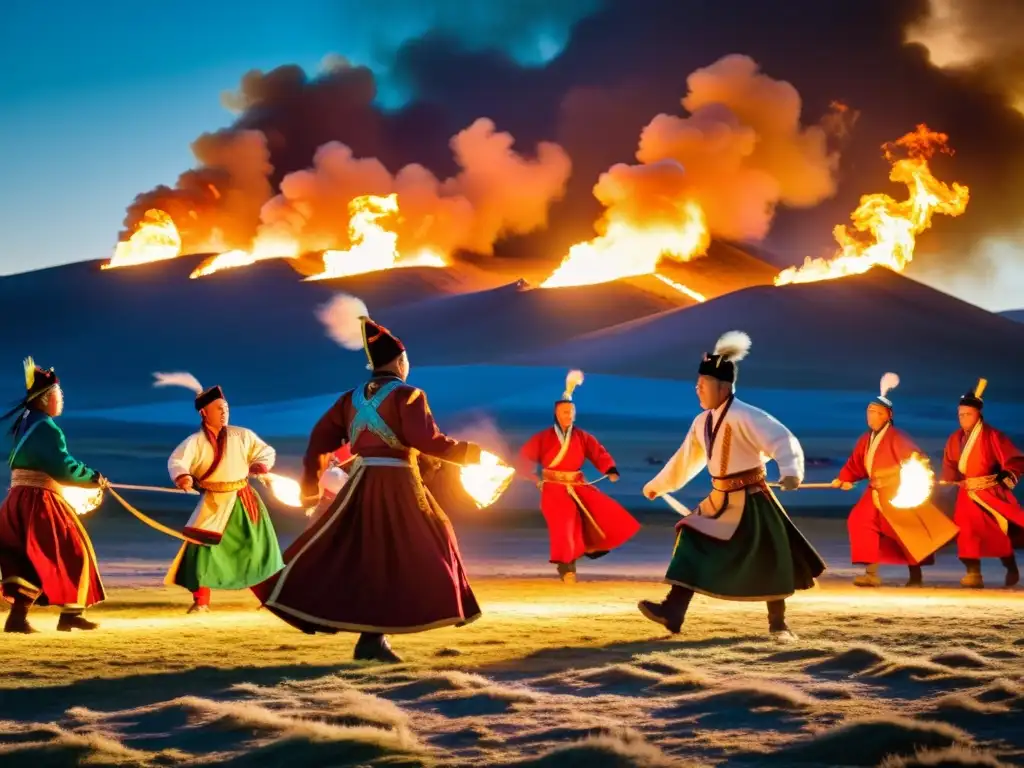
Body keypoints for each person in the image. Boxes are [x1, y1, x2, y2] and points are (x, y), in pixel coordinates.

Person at [253, 294, 485, 663]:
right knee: (425, 545)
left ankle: (371, 639)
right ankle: (386, 633)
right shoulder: (410, 395)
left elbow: (319, 441)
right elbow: (427, 440)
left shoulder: (350, 399)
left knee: (362, 554)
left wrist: (311, 490)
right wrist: (470, 452)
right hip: (398, 486)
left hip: (359, 485)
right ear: (399, 361)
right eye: (406, 359)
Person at [638, 331, 826, 643]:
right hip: (719, 499)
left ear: (723, 387)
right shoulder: (702, 422)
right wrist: (659, 485)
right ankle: (673, 611)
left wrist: (791, 471)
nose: (697, 388)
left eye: (704, 383)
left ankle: (778, 624)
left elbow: (782, 440)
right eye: (697, 383)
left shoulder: (747, 415)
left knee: (769, 557)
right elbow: (686, 458)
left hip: (752, 499)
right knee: (691, 536)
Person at [154, 373, 284, 613]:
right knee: (201, 551)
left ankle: (269, 600)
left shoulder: (243, 435)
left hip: (244, 501)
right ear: (204, 412)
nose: (224, 413)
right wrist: (183, 478)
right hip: (213, 503)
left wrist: (259, 466)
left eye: (226, 408)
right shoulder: (195, 441)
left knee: (256, 550)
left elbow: (265, 452)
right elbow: (178, 461)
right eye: (218, 409)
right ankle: (201, 602)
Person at [0, 358, 106, 633]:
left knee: (29, 556)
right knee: (74, 549)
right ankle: (70, 615)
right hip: (38, 501)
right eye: (59, 394)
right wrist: (91, 477)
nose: (62, 399)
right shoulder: (45, 428)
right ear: (46, 398)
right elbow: (61, 465)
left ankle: (18, 619)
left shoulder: (27, 424)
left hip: (18, 499)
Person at [834, 373, 958, 587]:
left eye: (875, 412)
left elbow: (916, 461)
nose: (870, 416)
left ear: (887, 416)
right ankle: (871, 573)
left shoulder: (898, 437)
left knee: (906, 532)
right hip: (873, 494)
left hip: (897, 495)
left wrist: (890, 475)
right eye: (868, 411)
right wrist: (845, 478)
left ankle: (915, 575)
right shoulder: (866, 439)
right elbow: (856, 464)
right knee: (860, 521)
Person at [517, 369, 640, 583]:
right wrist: (533, 478)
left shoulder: (582, 437)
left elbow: (597, 452)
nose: (569, 415)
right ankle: (567, 567)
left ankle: (587, 551)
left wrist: (609, 469)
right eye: (565, 412)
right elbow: (523, 458)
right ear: (557, 413)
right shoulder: (544, 438)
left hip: (577, 485)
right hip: (553, 489)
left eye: (572, 412)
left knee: (600, 513)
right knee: (564, 526)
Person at [941, 379, 1024, 588]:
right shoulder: (954, 439)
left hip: (990, 493)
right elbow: (950, 463)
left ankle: (1010, 565)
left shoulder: (992, 435)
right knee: (966, 532)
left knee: (996, 531)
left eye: (967, 414)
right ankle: (973, 573)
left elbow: (1014, 460)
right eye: (960, 414)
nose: (963, 418)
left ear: (978, 414)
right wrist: (951, 480)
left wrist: (1002, 476)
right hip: (966, 495)